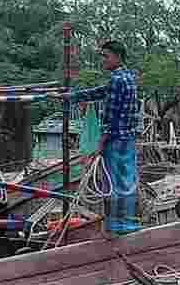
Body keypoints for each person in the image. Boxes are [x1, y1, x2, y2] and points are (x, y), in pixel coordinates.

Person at [52, 40, 141, 236]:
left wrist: (100, 142)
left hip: (116, 139)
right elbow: (100, 92)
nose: (102, 60)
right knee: (126, 180)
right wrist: (72, 96)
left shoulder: (118, 79)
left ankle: (117, 226)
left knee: (114, 182)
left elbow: (111, 115)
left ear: (117, 57)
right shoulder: (126, 77)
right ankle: (128, 223)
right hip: (128, 138)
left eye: (105, 56)